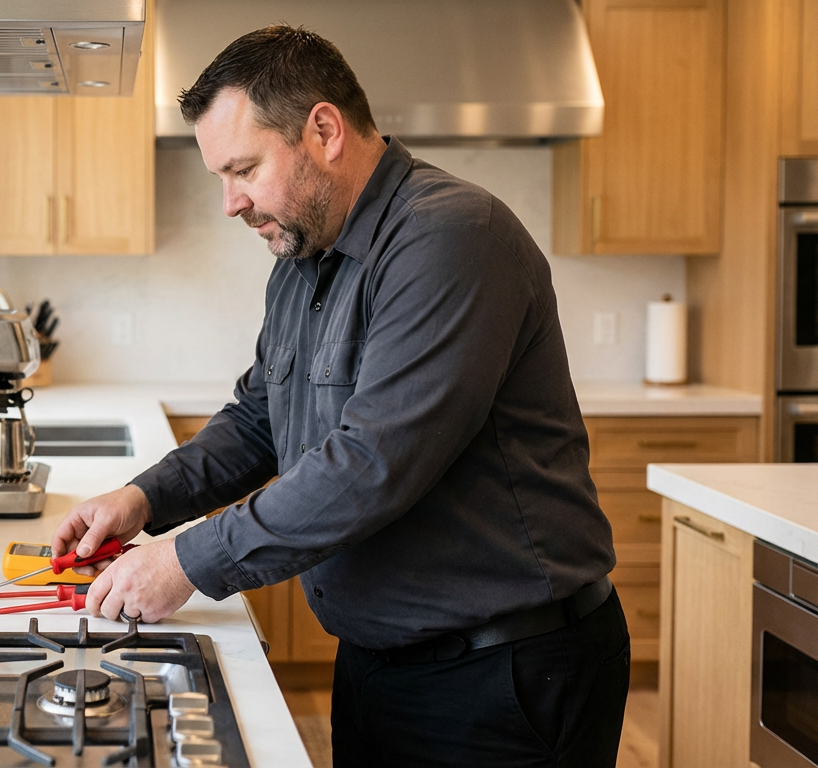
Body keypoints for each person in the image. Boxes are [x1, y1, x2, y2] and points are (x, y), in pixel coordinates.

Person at [49, 25, 630, 768]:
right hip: (381, 663)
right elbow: (260, 419)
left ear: (322, 129)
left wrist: (186, 561)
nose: (230, 203)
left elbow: (372, 464)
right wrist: (141, 500)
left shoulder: (451, 237)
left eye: (244, 168)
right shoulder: (302, 257)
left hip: (505, 676)